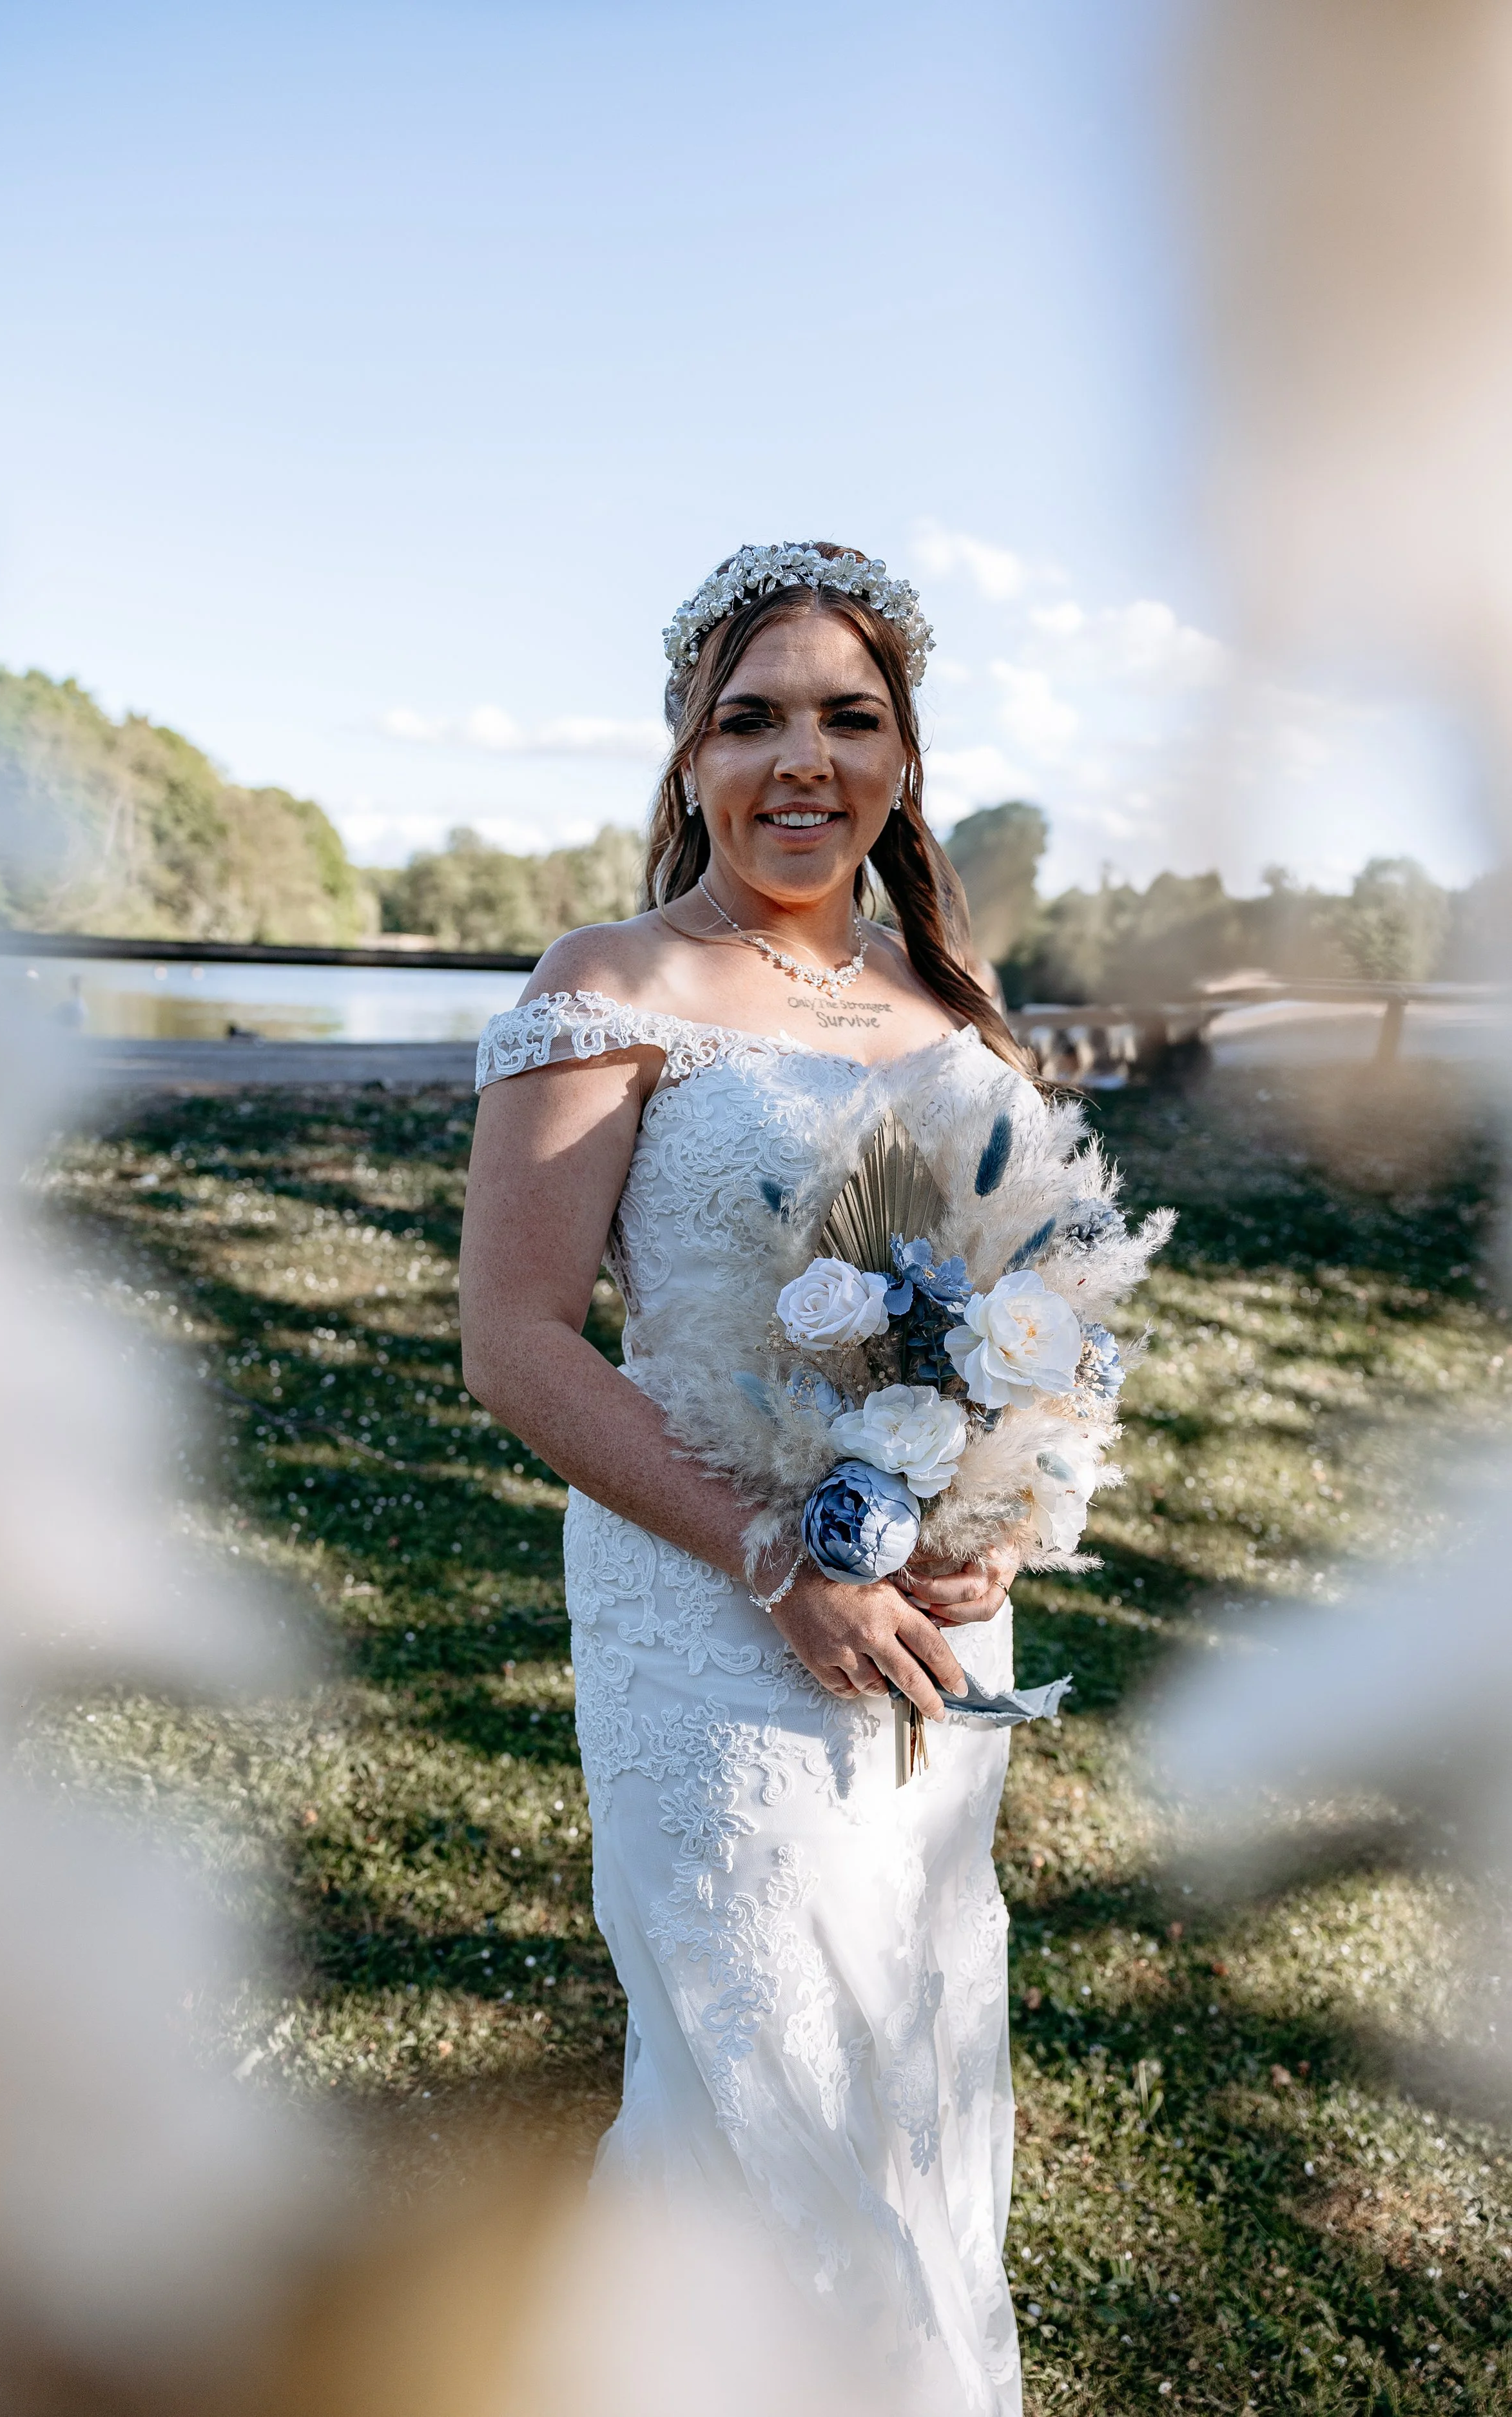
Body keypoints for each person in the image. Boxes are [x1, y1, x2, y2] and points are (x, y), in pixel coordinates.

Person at [460, 543, 1036, 2415]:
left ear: (900, 760)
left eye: (846, 719)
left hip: (934, 1645)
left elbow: (1025, 1313)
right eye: (751, 718)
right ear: (687, 763)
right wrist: (775, 1552)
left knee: (911, 2054)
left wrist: (1009, 1506)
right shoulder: (612, 983)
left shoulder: (952, 1002)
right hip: (709, 1606)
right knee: (753, 2065)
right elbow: (519, 1339)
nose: (802, 759)